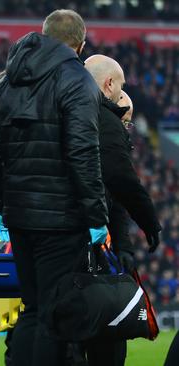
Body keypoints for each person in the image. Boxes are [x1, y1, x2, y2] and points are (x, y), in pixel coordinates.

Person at [0, 9, 108, 366]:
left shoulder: (4, 82)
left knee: (32, 309)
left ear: (43, 35)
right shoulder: (77, 80)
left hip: (19, 218)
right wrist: (97, 216)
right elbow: (83, 152)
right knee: (53, 314)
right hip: (61, 221)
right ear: (80, 45)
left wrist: (2, 207)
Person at [82, 55, 162, 366]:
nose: (126, 127)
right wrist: (149, 220)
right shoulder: (103, 124)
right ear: (109, 85)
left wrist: (125, 246)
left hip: (89, 241)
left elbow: (114, 202)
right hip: (84, 242)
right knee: (101, 331)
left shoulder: (80, 117)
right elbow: (120, 185)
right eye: (125, 120)